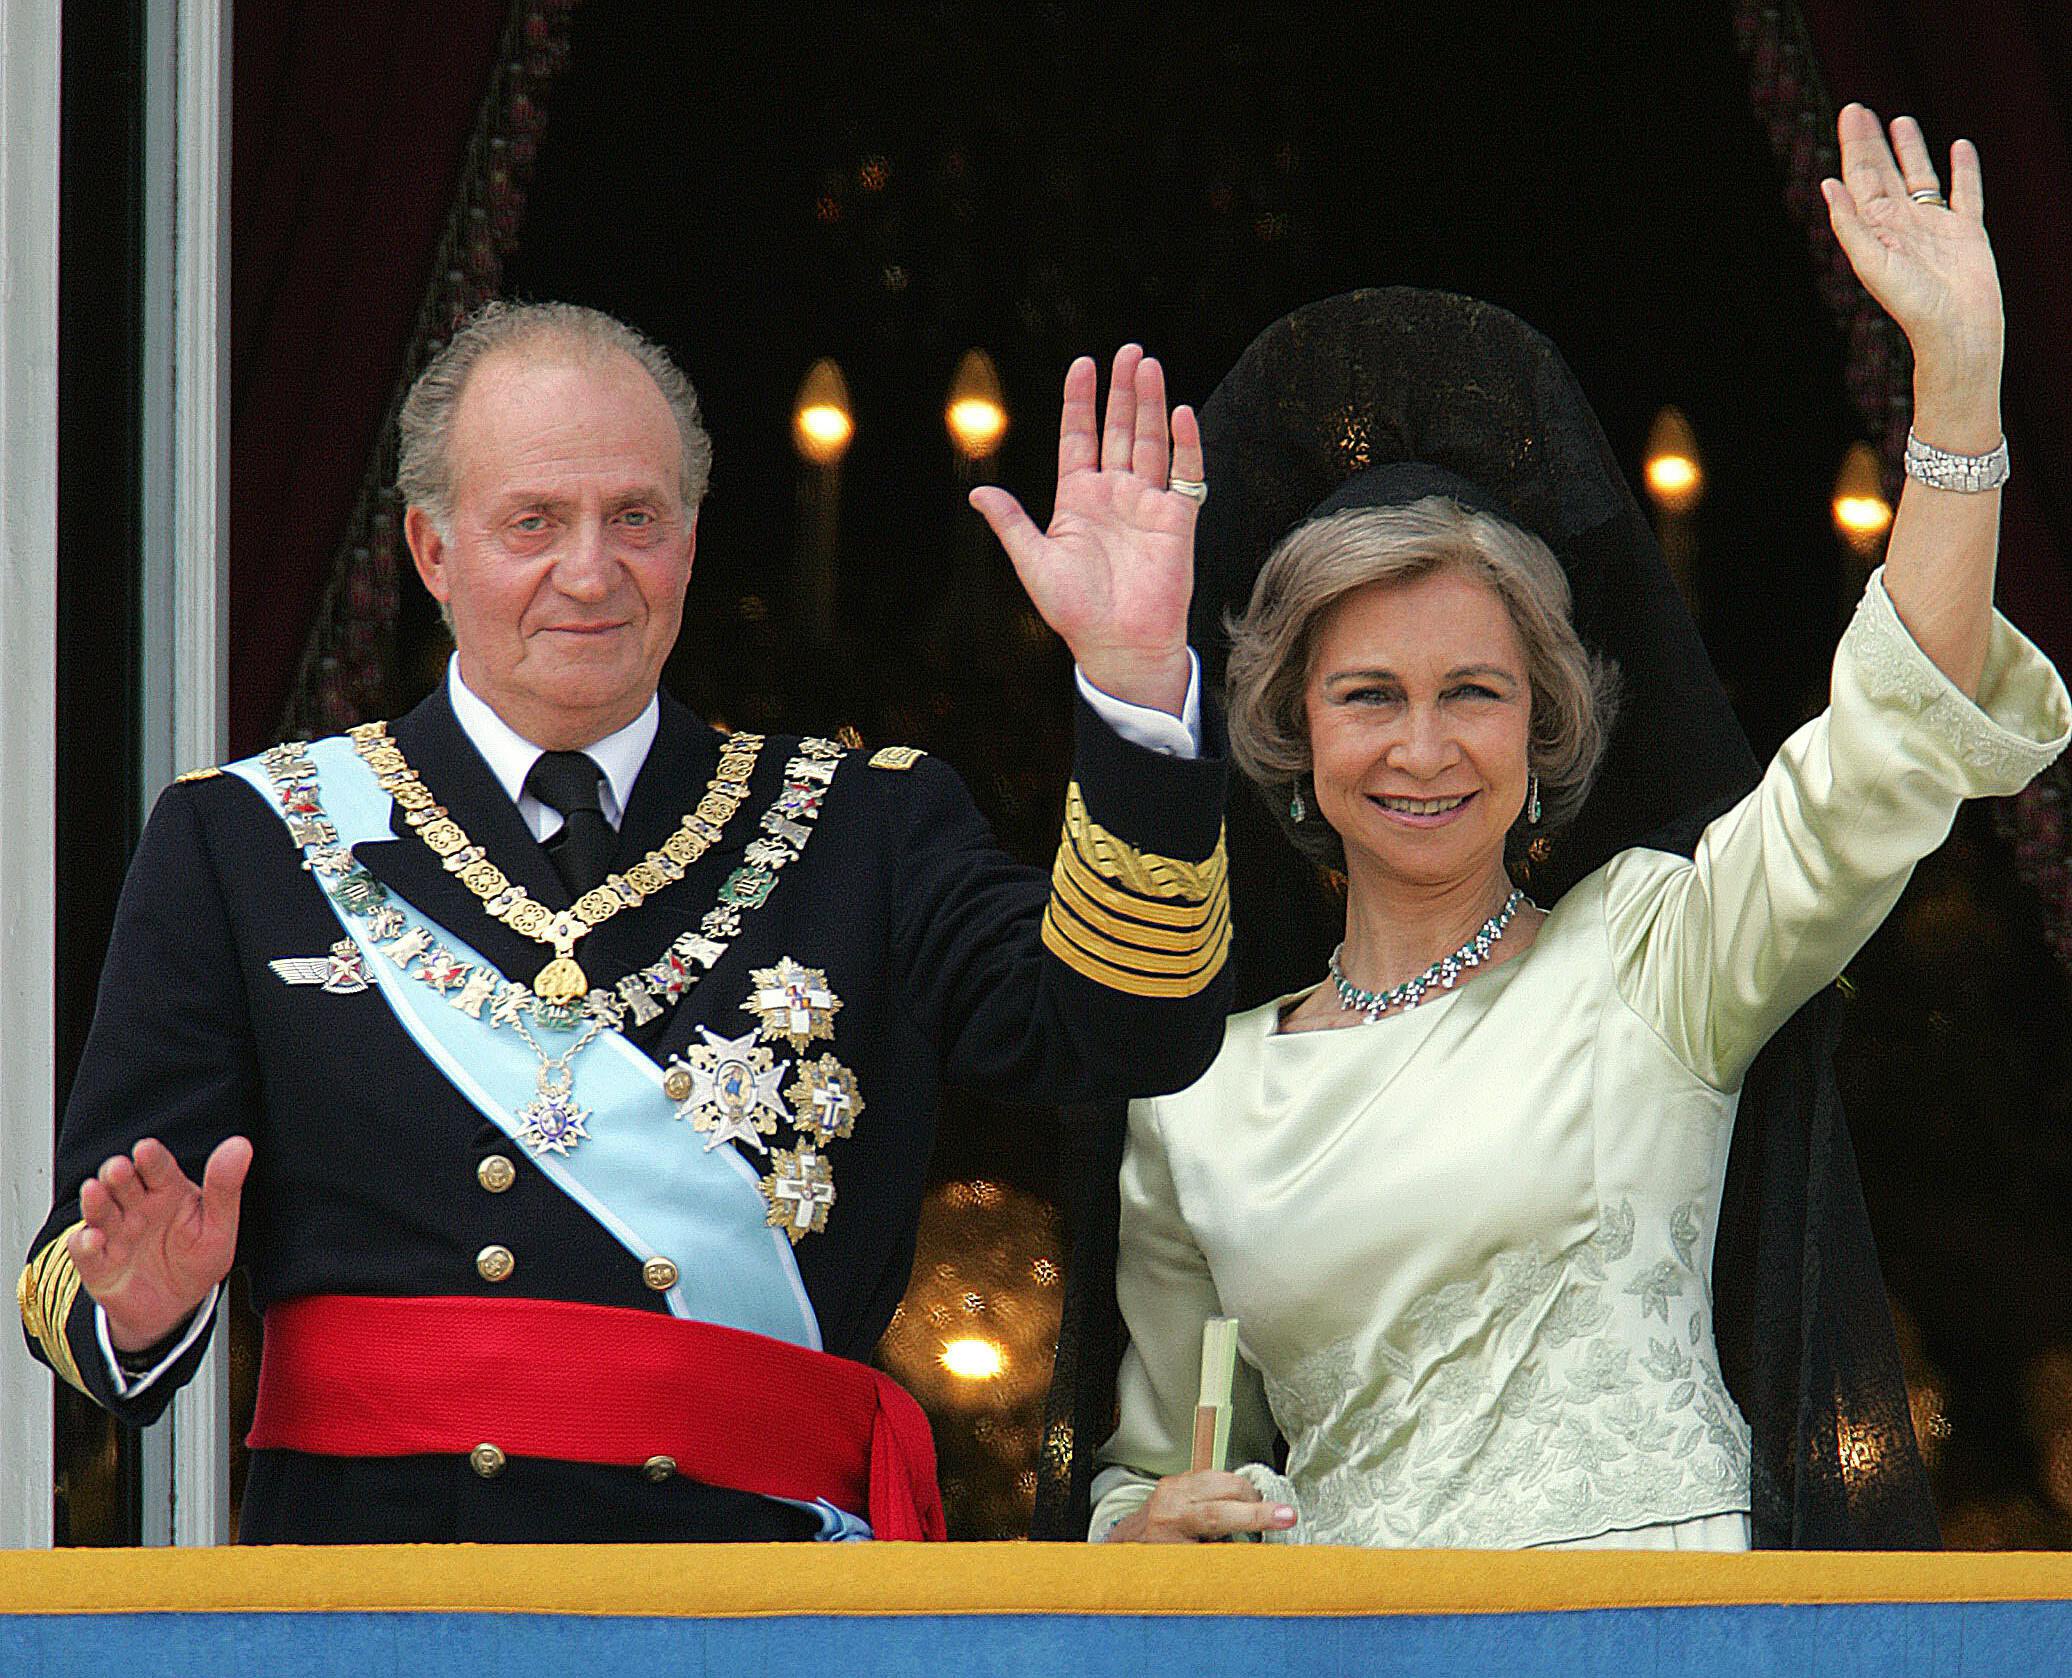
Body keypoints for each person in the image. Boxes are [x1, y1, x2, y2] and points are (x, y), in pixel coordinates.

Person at [18, 301, 1235, 1543]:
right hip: (382, 1610)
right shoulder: (246, 841)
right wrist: (141, 1301)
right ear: (432, 551)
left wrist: (1133, 685)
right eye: (532, 523)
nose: (590, 571)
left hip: (757, 1611)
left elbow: (1122, 1035)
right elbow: (77, 1268)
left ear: (692, 544)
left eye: (635, 519)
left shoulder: (864, 825)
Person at [1086, 108, 2069, 1548]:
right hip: (1347, 1653)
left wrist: (1961, 397)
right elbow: (1141, 1473)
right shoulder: (1191, 1094)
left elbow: (1885, 749)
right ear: (1293, 734)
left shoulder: (1656, 961)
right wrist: (1146, 1523)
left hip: (1659, 1635)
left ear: (1544, 727)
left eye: (1473, 691)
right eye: (1370, 694)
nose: (1424, 746)